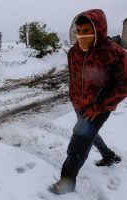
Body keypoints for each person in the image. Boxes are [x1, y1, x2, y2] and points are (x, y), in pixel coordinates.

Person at [49, 9, 127, 194]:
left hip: (98, 108)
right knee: (88, 134)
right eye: (79, 31)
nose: (82, 35)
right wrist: (75, 98)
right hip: (79, 105)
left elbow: (124, 84)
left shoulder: (115, 53)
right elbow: (74, 78)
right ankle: (109, 156)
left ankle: (66, 183)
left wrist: (100, 106)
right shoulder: (74, 52)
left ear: (99, 28)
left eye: (87, 30)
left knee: (78, 144)